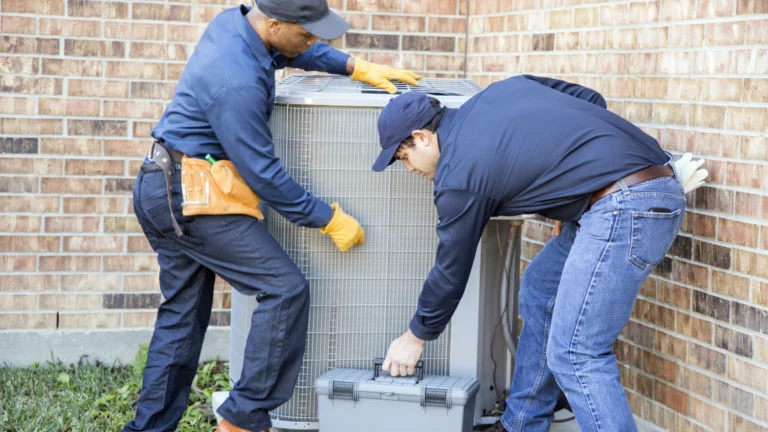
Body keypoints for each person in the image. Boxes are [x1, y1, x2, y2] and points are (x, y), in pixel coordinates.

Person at [125, 0, 421, 431]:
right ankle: (242, 420)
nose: (312, 41)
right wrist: (326, 218)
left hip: (163, 182)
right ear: (276, 24)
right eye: (306, 32)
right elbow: (263, 174)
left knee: (182, 319)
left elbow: (293, 51)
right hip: (189, 195)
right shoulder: (236, 79)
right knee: (284, 289)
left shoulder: (238, 25)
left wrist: (354, 66)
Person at [373, 75, 705, 432]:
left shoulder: (459, 175)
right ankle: (522, 423)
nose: (409, 169)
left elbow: (450, 269)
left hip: (625, 205)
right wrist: (573, 186)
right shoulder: (503, 91)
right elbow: (590, 98)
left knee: (576, 353)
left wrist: (415, 337)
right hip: (632, 190)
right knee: (540, 289)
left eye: (404, 157)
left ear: (422, 136)